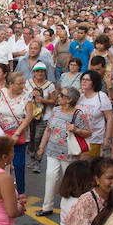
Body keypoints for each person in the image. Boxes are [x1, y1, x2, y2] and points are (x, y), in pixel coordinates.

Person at [36, 87, 90, 216]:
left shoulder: (78, 114)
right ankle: (47, 207)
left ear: (69, 99)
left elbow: (88, 132)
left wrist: (76, 130)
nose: (58, 96)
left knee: (70, 181)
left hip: (69, 153)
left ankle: (71, 208)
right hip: (53, 151)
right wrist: (41, 147)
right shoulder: (55, 110)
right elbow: (48, 130)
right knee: (50, 177)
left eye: (62, 95)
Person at [0, 72, 33, 194]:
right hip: (1, 134)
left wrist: (17, 133)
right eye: (19, 83)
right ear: (10, 84)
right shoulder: (1, 93)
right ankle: (0, 188)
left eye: (23, 83)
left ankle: (21, 191)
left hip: (18, 135)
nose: (22, 86)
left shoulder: (27, 97)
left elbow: (29, 117)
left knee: (19, 164)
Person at [25, 63, 56, 172]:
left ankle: (37, 161)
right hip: (30, 115)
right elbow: (24, 97)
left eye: (42, 71)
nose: (40, 73)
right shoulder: (28, 83)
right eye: (37, 71)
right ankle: (32, 157)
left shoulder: (50, 85)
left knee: (38, 138)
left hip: (44, 116)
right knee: (30, 138)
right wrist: (31, 95)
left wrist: (43, 100)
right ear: (34, 72)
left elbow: (54, 101)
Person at [76, 70, 113, 157]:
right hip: (77, 138)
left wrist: (107, 139)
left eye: (88, 80)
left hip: (94, 139)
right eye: (83, 79)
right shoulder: (79, 96)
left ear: (94, 82)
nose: (84, 81)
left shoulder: (101, 96)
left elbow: (110, 118)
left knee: (88, 166)